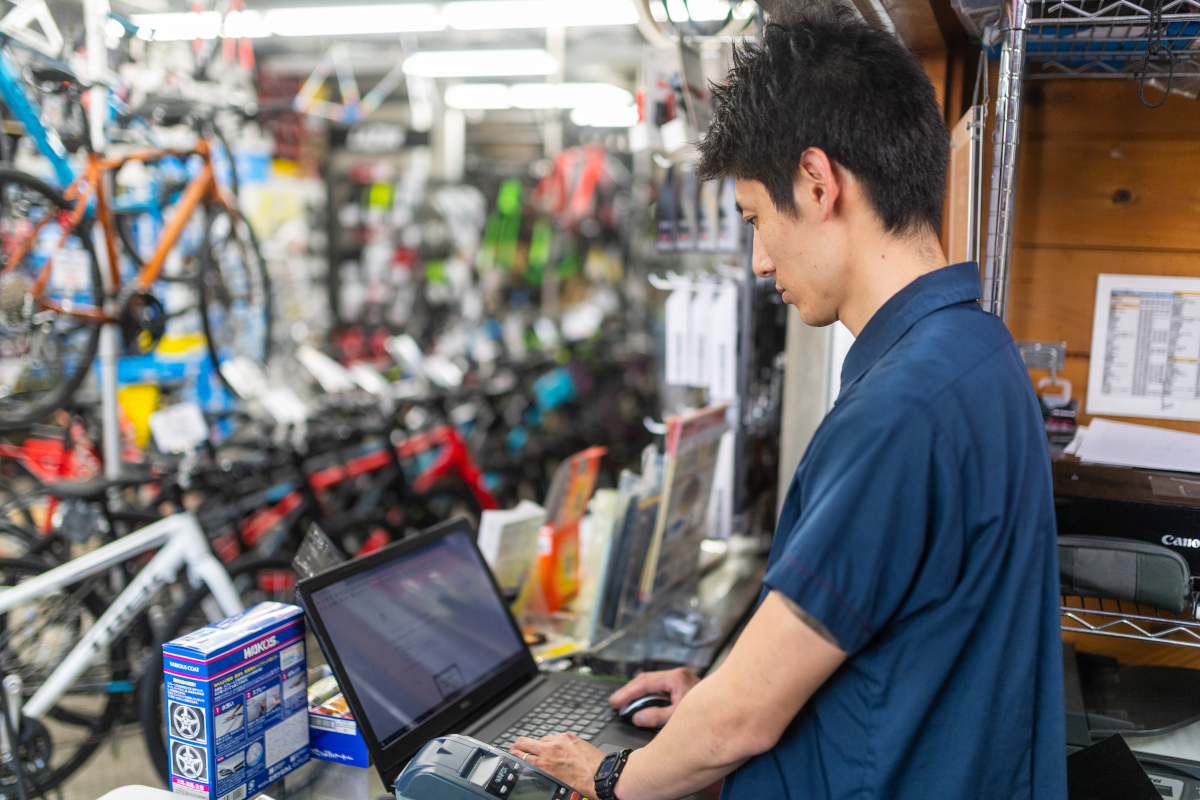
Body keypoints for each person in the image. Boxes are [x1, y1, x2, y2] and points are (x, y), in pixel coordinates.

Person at [507, 4, 1066, 799]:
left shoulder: (899, 411)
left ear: (816, 182)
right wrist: (717, 698)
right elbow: (885, 643)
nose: (762, 261)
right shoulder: (977, 353)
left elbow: (744, 722)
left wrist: (606, 776)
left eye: (757, 220)